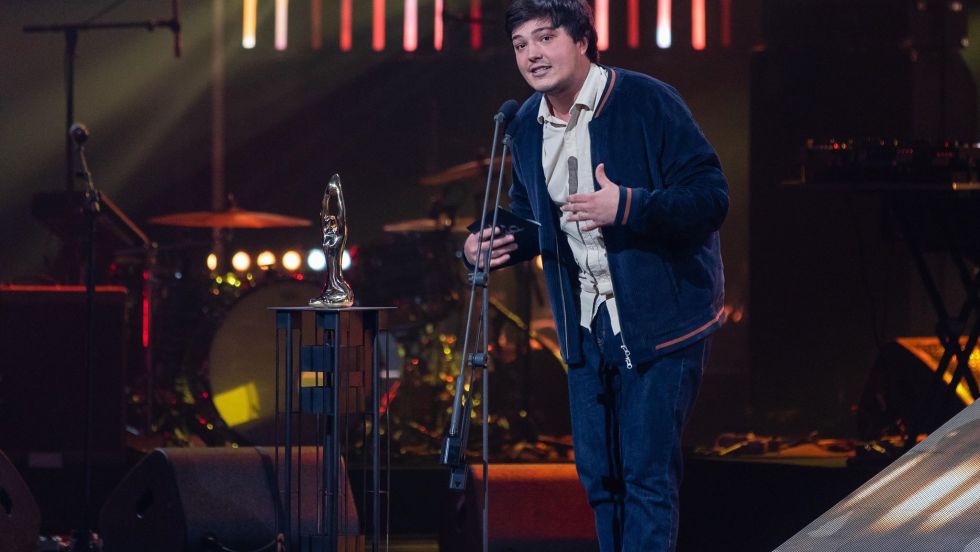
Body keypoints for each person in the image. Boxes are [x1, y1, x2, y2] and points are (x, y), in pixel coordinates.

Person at [462, 0, 728, 550]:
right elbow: (535, 219)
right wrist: (485, 244)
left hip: (662, 320)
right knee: (601, 480)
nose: (532, 55)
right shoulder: (525, 125)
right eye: (520, 44)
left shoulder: (646, 100)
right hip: (584, 325)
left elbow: (710, 199)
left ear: (583, 40)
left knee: (646, 475)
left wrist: (627, 206)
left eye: (545, 38)